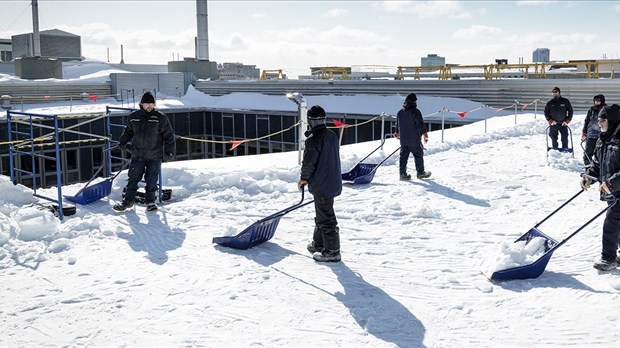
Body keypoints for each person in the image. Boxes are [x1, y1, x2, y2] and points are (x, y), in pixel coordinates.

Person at [113, 91, 176, 212]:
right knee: (133, 179)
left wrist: (169, 153)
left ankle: (150, 202)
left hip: (154, 155)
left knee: (151, 180)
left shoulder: (160, 118)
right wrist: (123, 141)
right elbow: (128, 132)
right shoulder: (133, 117)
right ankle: (128, 201)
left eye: (151, 104)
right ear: (141, 104)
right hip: (137, 154)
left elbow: (169, 136)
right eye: (147, 103)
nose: (149, 106)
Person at [298, 105, 343, 262]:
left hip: (322, 184)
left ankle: (332, 251)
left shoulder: (314, 140)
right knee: (322, 212)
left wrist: (304, 178)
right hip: (332, 181)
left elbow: (309, 162)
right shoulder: (332, 135)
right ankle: (319, 244)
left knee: (326, 217)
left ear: (310, 121)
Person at [580, 104, 620, 271]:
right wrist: (589, 175)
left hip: (616, 188)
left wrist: (611, 183)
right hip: (612, 190)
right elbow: (598, 163)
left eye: (602, 120)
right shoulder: (603, 139)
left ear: (611, 120)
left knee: (611, 222)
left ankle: (608, 258)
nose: (599, 123)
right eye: (598, 120)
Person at [394, 93, 431, 181]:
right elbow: (420, 124)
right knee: (418, 155)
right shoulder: (415, 111)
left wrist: (396, 132)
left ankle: (402, 175)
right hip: (414, 139)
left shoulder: (400, 112)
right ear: (413, 102)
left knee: (403, 157)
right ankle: (420, 173)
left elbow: (397, 124)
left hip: (403, 140)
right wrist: (425, 133)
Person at [582, 94, 605, 166]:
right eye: (595, 100)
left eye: (598, 100)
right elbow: (586, 121)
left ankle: (599, 170)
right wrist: (584, 132)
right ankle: (588, 169)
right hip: (591, 135)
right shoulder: (591, 110)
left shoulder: (605, 110)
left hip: (601, 136)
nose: (596, 102)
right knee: (587, 154)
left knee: (600, 155)